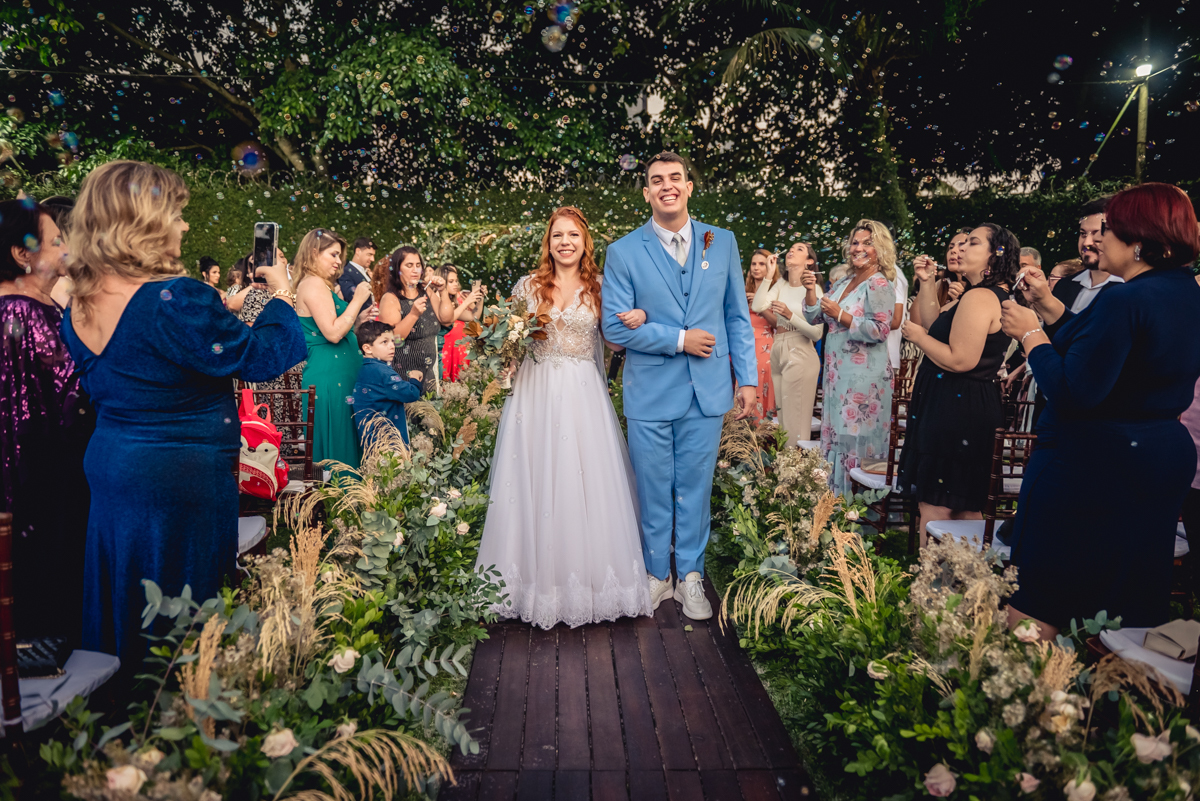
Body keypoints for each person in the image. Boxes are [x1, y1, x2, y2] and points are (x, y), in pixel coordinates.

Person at [60, 160, 305, 675]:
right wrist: (281, 292)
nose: (185, 225)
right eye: (175, 214)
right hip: (178, 480)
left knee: (124, 595)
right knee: (184, 615)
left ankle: (122, 712)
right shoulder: (173, 299)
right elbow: (261, 356)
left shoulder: (78, 302)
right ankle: (179, 716)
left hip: (112, 469)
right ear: (142, 222)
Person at [1000, 182, 1200, 636]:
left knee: (1045, 591)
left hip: (1092, 464)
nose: (1099, 239)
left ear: (1138, 241)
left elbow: (1075, 390)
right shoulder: (1185, 292)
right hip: (1157, 455)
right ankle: (1102, 695)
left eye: (1111, 229)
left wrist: (1031, 337)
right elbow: (1110, 356)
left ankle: (1023, 695)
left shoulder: (1123, 298)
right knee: (1121, 597)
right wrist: (1051, 313)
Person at [477, 206, 653, 629]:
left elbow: (613, 339)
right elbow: (508, 339)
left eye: (573, 235)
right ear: (548, 241)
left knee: (583, 480)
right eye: (558, 235)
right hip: (534, 393)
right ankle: (524, 586)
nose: (565, 242)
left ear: (584, 241)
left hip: (581, 393)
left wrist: (642, 316)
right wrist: (503, 350)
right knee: (531, 481)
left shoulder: (601, 286)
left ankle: (587, 586)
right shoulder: (528, 285)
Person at [601, 151, 758, 621]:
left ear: (689, 186)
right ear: (646, 192)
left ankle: (691, 576)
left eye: (675, 178)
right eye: (656, 180)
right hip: (650, 391)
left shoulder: (723, 242)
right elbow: (615, 328)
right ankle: (656, 576)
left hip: (707, 391)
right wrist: (677, 339)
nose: (666, 186)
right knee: (652, 487)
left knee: (695, 486)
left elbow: (736, 316)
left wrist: (747, 377)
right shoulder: (624, 251)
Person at [0, 198, 92, 644]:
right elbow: (73, 396)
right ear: (23, 254)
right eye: (56, 242)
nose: (66, 250)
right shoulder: (23, 312)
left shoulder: (27, 305)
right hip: (42, 474)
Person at [900, 224, 1020, 545]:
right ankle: (971, 588)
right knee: (964, 503)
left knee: (937, 503)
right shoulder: (976, 293)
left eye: (972, 243)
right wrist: (927, 284)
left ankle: (932, 591)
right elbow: (933, 322)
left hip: (956, 407)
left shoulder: (981, 296)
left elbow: (959, 359)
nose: (961, 249)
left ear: (995, 257)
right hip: (961, 404)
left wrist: (919, 338)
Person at [802, 220, 896, 496]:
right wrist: (810, 291)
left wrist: (841, 315)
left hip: (864, 382)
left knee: (855, 442)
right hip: (837, 376)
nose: (859, 248)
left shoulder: (879, 283)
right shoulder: (843, 281)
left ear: (880, 249)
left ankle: (854, 511)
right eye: (855, 242)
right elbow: (815, 316)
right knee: (836, 438)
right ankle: (830, 505)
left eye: (868, 243)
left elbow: (880, 330)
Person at [294, 228, 373, 470]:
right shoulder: (313, 284)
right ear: (314, 253)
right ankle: (341, 502)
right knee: (338, 451)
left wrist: (357, 321)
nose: (340, 262)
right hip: (330, 381)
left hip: (338, 377)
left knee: (346, 445)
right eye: (334, 255)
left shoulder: (320, 285)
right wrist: (358, 299)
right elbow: (333, 333)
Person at [751, 243, 823, 447]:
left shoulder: (813, 289)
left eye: (799, 249)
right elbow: (758, 306)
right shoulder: (781, 285)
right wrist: (769, 274)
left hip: (800, 349)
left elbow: (817, 334)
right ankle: (785, 471)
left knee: (796, 421)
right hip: (778, 348)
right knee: (782, 419)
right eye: (790, 248)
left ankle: (798, 473)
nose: (792, 250)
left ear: (809, 261)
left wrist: (789, 316)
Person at [377, 247, 453, 395]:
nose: (415, 270)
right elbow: (393, 338)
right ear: (397, 269)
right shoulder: (391, 298)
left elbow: (447, 319)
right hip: (403, 374)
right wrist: (413, 314)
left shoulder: (427, 291)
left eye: (418, 265)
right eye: (409, 265)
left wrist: (443, 292)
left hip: (429, 373)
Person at [352, 320, 423, 450]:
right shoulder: (381, 372)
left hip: (373, 440)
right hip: (388, 443)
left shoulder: (366, 368)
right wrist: (414, 379)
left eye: (392, 341)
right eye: (384, 342)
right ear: (367, 348)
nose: (392, 346)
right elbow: (410, 393)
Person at [1052, 196, 1123, 313]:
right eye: (1083, 234)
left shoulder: (1130, 288)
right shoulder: (1064, 286)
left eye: (1097, 234)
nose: (1087, 242)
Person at [744, 249, 779, 422]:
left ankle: (762, 432)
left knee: (762, 385)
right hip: (744, 345)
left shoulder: (776, 291)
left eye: (762, 264)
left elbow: (779, 325)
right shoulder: (743, 290)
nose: (756, 268)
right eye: (753, 264)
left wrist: (760, 306)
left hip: (765, 345)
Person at [910, 228, 969, 328]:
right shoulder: (941, 285)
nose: (953, 251)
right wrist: (925, 279)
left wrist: (962, 302)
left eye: (962, 246)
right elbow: (916, 322)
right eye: (951, 247)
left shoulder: (980, 290)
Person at [435, 264, 485, 382]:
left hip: (441, 350)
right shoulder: (435, 300)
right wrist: (467, 301)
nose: (456, 284)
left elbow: (473, 316)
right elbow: (447, 320)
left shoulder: (452, 301)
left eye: (456, 281)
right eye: (451, 281)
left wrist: (480, 298)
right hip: (434, 350)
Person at [337, 236, 377, 301]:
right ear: (358, 251)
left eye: (373, 255)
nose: (373, 259)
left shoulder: (366, 272)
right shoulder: (345, 272)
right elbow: (349, 295)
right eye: (369, 254)